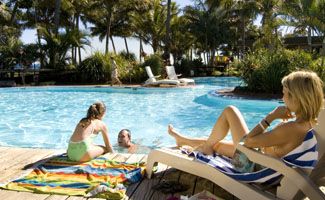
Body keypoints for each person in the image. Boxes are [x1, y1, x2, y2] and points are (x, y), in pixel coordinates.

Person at [168, 71, 324, 172]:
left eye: (285, 94)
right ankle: (183, 140)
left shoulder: (292, 128)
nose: (282, 99)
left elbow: (248, 142)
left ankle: (205, 147)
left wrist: (271, 116)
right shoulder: (310, 123)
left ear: (297, 97)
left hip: (252, 165)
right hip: (262, 159)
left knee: (230, 111)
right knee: (217, 144)